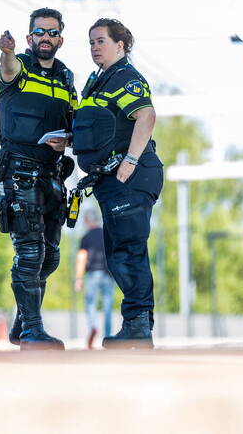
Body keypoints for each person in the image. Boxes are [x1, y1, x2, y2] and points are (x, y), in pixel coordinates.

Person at [72, 18, 163, 348]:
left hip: (130, 176)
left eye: (101, 41)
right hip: (111, 180)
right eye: (91, 42)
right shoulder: (98, 83)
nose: (95, 47)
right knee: (119, 253)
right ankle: (135, 324)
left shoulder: (124, 77)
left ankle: (138, 326)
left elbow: (146, 116)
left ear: (121, 45)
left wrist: (130, 160)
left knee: (128, 250)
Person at [0, 8, 77, 350]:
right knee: (29, 253)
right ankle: (32, 329)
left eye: (52, 32)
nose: (46, 37)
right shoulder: (20, 67)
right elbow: (8, 68)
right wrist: (7, 52)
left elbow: (76, 122)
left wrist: (69, 140)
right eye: (40, 32)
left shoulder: (67, 77)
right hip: (19, 173)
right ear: (30, 38)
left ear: (60, 38)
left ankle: (22, 323)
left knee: (51, 256)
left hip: (53, 176)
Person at [74, 210, 114, 349]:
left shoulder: (86, 237)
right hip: (108, 274)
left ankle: (93, 326)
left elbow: (82, 258)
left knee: (90, 303)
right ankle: (108, 337)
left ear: (87, 221)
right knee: (107, 306)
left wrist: (78, 278)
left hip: (92, 274)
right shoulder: (107, 234)